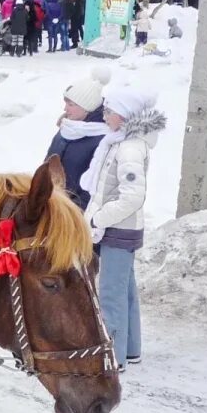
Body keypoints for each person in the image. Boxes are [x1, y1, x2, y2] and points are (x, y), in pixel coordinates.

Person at [81, 86, 165, 371]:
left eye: (109, 111)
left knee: (110, 293)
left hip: (118, 229)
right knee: (125, 290)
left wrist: (99, 218)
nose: (104, 115)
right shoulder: (120, 141)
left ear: (124, 115)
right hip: (120, 228)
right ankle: (130, 349)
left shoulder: (129, 147)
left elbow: (132, 196)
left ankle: (112, 356)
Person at [46, 67, 111, 209]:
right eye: (65, 103)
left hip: (73, 213)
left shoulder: (102, 140)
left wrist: (73, 211)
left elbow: (95, 187)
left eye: (71, 105)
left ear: (87, 107)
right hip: (51, 204)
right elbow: (47, 165)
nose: (65, 109)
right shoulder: (66, 128)